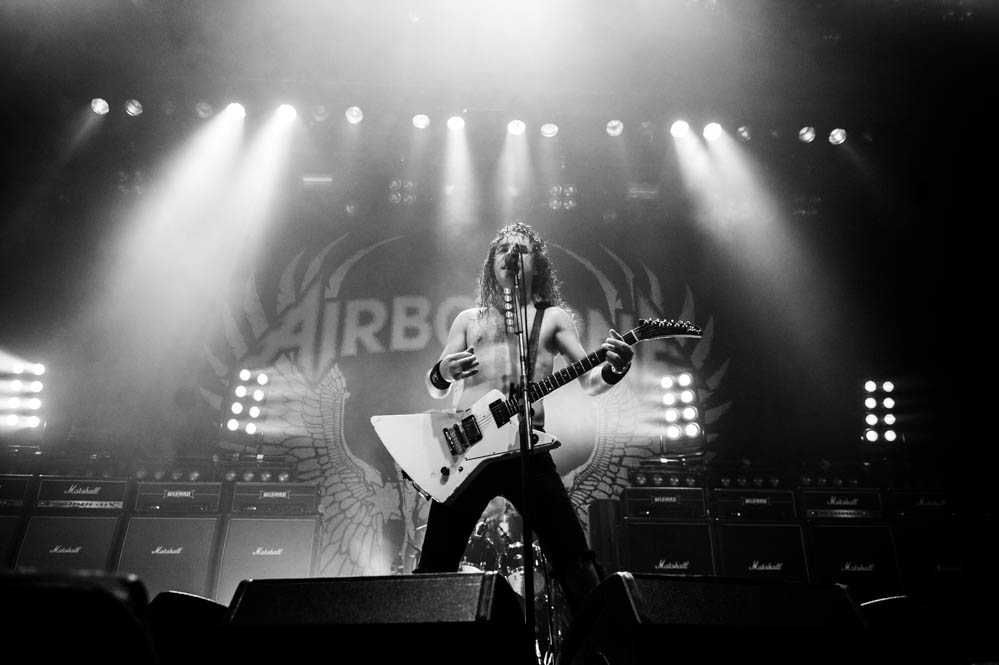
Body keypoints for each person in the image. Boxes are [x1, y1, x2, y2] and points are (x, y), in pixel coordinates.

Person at [414, 221, 634, 641]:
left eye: (522, 250)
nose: (511, 256)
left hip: (528, 450)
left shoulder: (552, 318)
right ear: (491, 262)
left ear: (537, 263)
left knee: (574, 560)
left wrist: (615, 368)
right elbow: (436, 385)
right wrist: (443, 370)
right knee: (436, 562)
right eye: (503, 250)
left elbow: (590, 382)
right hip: (468, 454)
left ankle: (603, 648)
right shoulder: (468, 319)